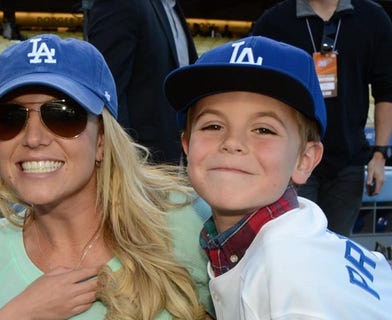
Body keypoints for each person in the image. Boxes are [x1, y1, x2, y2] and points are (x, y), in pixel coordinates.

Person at [0, 34, 213, 319]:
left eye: (62, 115)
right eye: (9, 118)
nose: (33, 138)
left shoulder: (187, 220)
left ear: (102, 141)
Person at [165, 35, 392, 319]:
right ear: (186, 144)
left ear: (304, 159)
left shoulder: (288, 274)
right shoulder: (297, 229)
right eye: (213, 125)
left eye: (263, 130)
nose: (233, 142)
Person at [251, 0, 392, 236]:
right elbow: (256, 92)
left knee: (336, 250)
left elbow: (386, 91)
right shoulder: (275, 21)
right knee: (291, 246)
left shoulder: (372, 19)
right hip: (292, 162)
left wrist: (379, 153)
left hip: (347, 164)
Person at [87, 0, 198, 165]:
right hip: (138, 162)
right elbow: (108, 92)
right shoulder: (122, 4)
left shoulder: (171, 8)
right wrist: (125, 163)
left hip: (170, 156)